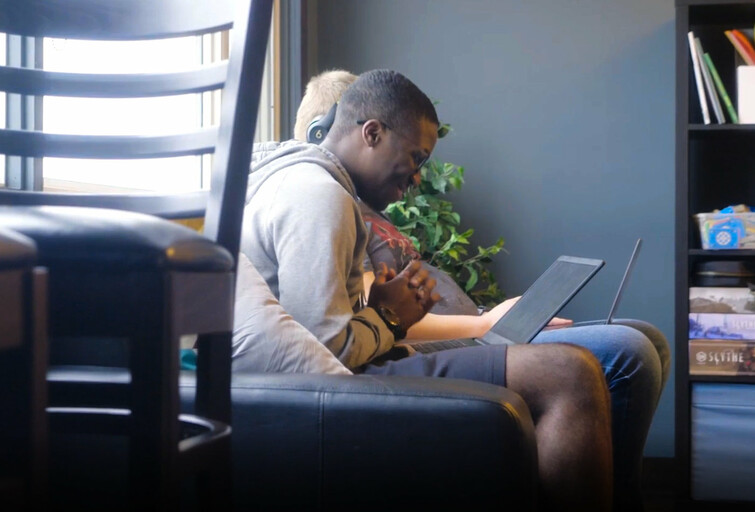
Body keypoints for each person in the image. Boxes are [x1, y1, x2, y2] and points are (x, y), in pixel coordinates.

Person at [293, 68, 671, 512]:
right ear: (366, 131)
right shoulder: (326, 201)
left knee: (649, 339)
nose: (416, 177)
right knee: (625, 349)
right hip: (460, 338)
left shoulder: (364, 205)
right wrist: (484, 321)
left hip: (479, 326)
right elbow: (366, 323)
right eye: (414, 157)